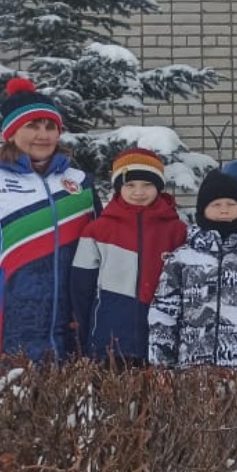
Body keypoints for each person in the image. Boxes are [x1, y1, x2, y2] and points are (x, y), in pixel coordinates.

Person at [0, 78, 96, 369]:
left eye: (50, 127)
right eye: (32, 126)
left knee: (65, 398)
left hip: (67, 332)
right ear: (11, 133)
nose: (43, 135)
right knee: (1, 397)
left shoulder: (78, 183)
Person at [147, 170, 237, 375]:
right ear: (203, 209)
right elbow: (164, 310)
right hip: (192, 370)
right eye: (216, 205)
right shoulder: (182, 258)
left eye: (231, 204)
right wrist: (161, 363)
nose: (224, 210)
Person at [71, 148, 187, 365]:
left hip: (161, 341)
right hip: (108, 338)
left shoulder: (177, 230)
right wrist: (81, 340)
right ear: (118, 188)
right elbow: (81, 290)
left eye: (147, 185)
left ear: (159, 187)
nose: (139, 192)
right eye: (130, 185)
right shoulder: (97, 230)